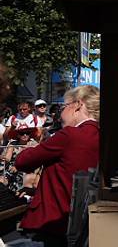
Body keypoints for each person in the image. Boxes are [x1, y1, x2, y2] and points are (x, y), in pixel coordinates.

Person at [15, 85, 99, 246]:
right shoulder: (102, 135)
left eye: (64, 106)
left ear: (78, 105)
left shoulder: (69, 135)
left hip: (53, 222)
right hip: (84, 225)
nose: (61, 114)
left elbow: (23, 162)